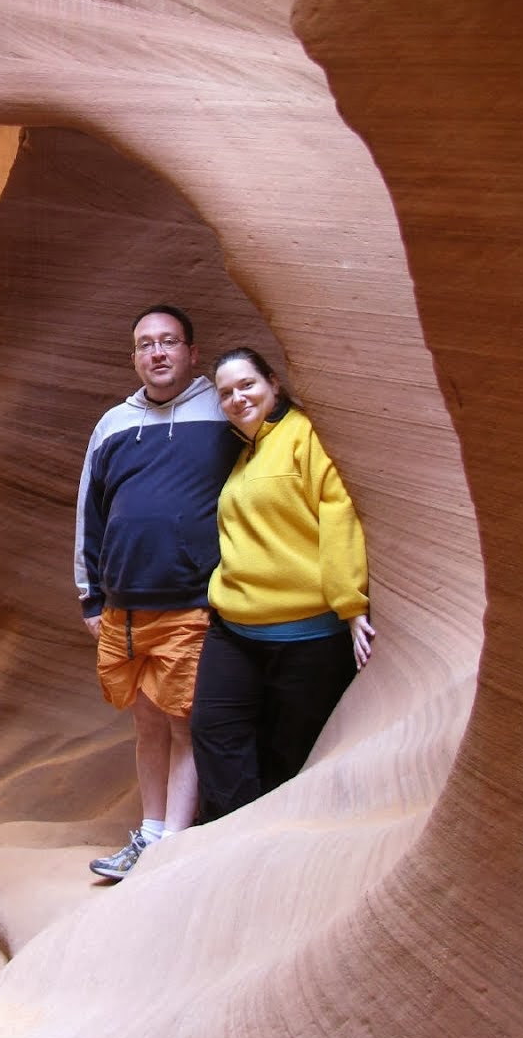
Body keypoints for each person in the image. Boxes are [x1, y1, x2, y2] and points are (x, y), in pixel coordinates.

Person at [75, 305, 239, 880]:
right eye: (146, 345)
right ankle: (149, 835)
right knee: (146, 722)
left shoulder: (223, 413)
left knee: (182, 722)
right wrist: (90, 595)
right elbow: (89, 514)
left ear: (192, 352)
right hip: (123, 606)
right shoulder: (114, 424)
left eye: (169, 342)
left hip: (192, 600)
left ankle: (171, 846)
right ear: (135, 357)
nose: (158, 353)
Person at [190, 347, 375, 821]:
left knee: (292, 750)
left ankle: (281, 849)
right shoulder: (242, 453)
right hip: (234, 627)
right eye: (226, 393)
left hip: (307, 632)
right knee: (215, 730)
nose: (237, 398)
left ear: (274, 383)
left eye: (247, 385)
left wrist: (350, 604)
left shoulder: (304, 436)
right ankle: (237, 836)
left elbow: (337, 514)